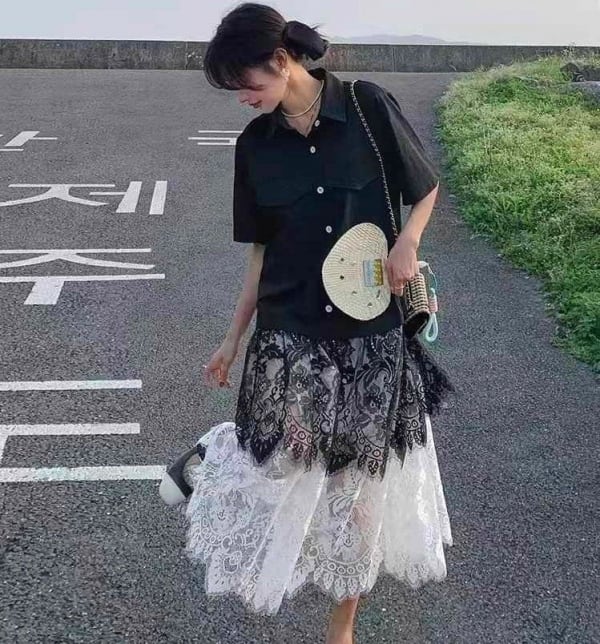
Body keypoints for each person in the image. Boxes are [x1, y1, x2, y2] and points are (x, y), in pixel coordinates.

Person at [162, 3, 456, 643]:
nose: (243, 98)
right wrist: (232, 339)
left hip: (368, 330)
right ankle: (215, 457)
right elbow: (260, 254)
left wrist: (407, 243)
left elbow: (424, 186)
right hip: (289, 328)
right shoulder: (254, 146)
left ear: (281, 60)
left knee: (361, 482)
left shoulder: (367, 107)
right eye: (234, 90)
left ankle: (341, 626)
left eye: (247, 83)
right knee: (282, 458)